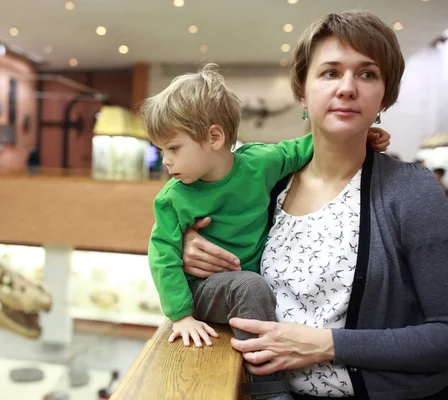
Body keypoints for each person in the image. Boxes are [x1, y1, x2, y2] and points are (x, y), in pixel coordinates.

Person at [179, 10, 448, 400]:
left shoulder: (412, 192)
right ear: (302, 91)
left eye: (367, 74)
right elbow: (198, 263)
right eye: (330, 72)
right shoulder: (268, 187)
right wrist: (190, 246)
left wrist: (328, 344)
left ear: (384, 97)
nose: (348, 87)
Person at [141, 63, 390, 399]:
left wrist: (360, 137)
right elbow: (162, 257)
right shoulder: (173, 198)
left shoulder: (259, 162)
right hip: (200, 291)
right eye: (161, 151)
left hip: (247, 292)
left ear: (214, 137)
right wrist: (181, 316)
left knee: (250, 286)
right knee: (249, 285)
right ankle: (267, 391)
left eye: (173, 148)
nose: (165, 161)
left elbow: (302, 149)